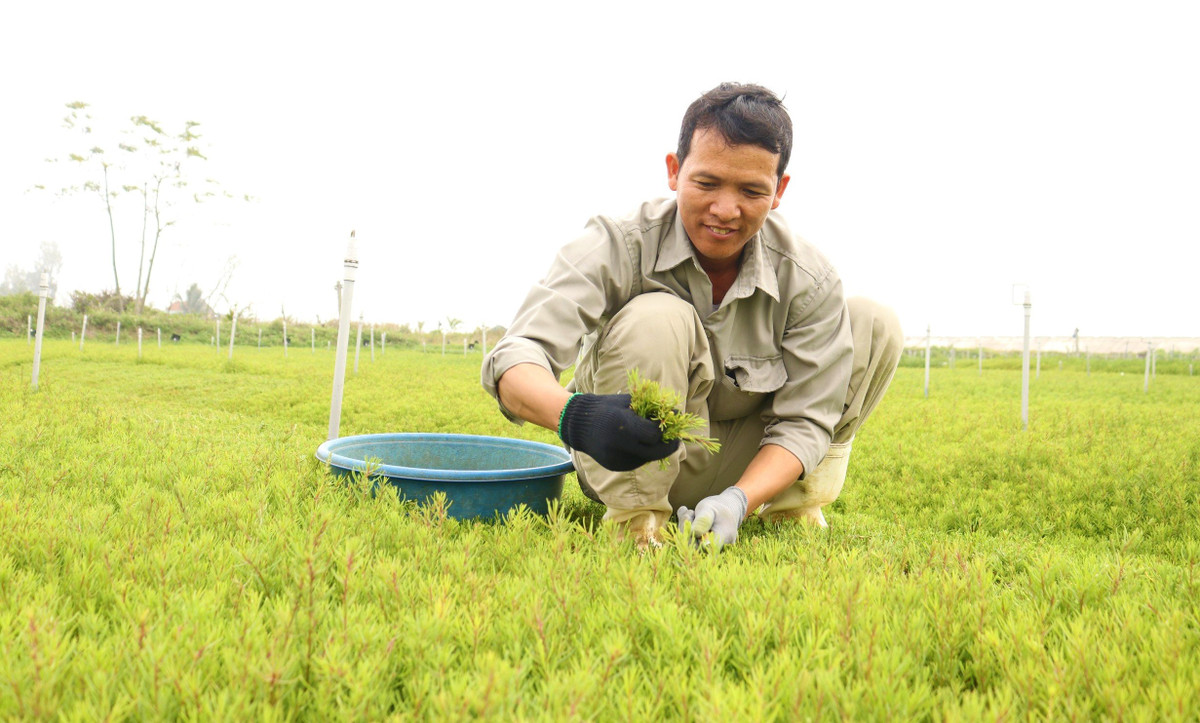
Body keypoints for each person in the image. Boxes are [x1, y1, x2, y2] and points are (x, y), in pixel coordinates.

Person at [482, 82, 902, 548]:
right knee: (657, 316)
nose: (725, 210)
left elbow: (807, 420)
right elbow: (516, 358)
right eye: (705, 183)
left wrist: (739, 500)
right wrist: (578, 418)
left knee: (872, 322)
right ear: (674, 171)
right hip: (634, 458)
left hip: (753, 469)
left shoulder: (808, 277)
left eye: (751, 190)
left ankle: (789, 510)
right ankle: (638, 523)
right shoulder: (619, 243)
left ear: (779, 190)